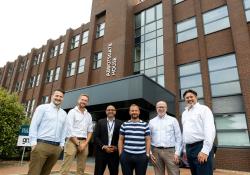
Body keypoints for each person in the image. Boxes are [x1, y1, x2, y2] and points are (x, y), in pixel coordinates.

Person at [28, 89, 67, 175]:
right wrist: (33, 143)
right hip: (41, 145)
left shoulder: (64, 113)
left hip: (56, 148)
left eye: (61, 96)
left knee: (46, 173)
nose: (58, 98)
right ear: (52, 96)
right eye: (56, 95)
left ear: (63, 99)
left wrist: (61, 145)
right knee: (34, 172)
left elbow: (64, 130)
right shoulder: (42, 108)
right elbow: (34, 125)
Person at [182, 89, 216, 175]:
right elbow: (185, 132)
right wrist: (184, 150)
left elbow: (210, 130)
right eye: (187, 97)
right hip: (189, 148)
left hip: (201, 146)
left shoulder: (204, 109)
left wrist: (205, 150)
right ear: (184, 100)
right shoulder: (184, 113)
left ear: (196, 97)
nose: (189, 99)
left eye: (191, 97)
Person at [60, 94, 93, 175]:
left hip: (84, 142)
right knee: (66, 165)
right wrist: (78, 143)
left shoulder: (88, 115)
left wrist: (85, 143)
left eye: (85, 100)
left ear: (87, 102)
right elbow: (69, 129)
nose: (83, 101)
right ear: (78, 100)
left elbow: (90, 131)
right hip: (72, 141)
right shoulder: (72, 112)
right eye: (82, 99)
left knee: (81, 167)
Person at [149, 101, 182, 175]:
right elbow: (148, 138)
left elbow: (178, 137)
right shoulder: (151, 122)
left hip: (170, 151)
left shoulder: (173, 120)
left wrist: (177, 153)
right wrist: (150, 153)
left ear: (166, 108)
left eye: (162, 107)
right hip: (156, 152)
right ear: (156, 108)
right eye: (159, 107)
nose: (161, 109)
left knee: (174, 173)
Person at [118, 104, 151, 175]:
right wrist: (120, 154)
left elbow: (148, 140)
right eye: (132, 110)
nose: (134, 112)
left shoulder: (145, 125)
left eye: (136, 110)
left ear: (139, 112)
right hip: (126, 156)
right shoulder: (124, 124)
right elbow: (120, 140)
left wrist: (147, 154)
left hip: (141, 156)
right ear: (129, 112)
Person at [94, 105, 123, 175]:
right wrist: (103, 146)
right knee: (98, 172)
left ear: (115, 112)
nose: (110, 111)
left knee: (114, 172)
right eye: (108, 110)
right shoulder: (100, 122)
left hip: (114, 153)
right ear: (106, 112)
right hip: (101, 153)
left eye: (112, 110)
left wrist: (116, 147)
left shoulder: (120, 123)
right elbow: (96, 136)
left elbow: (122, 138)